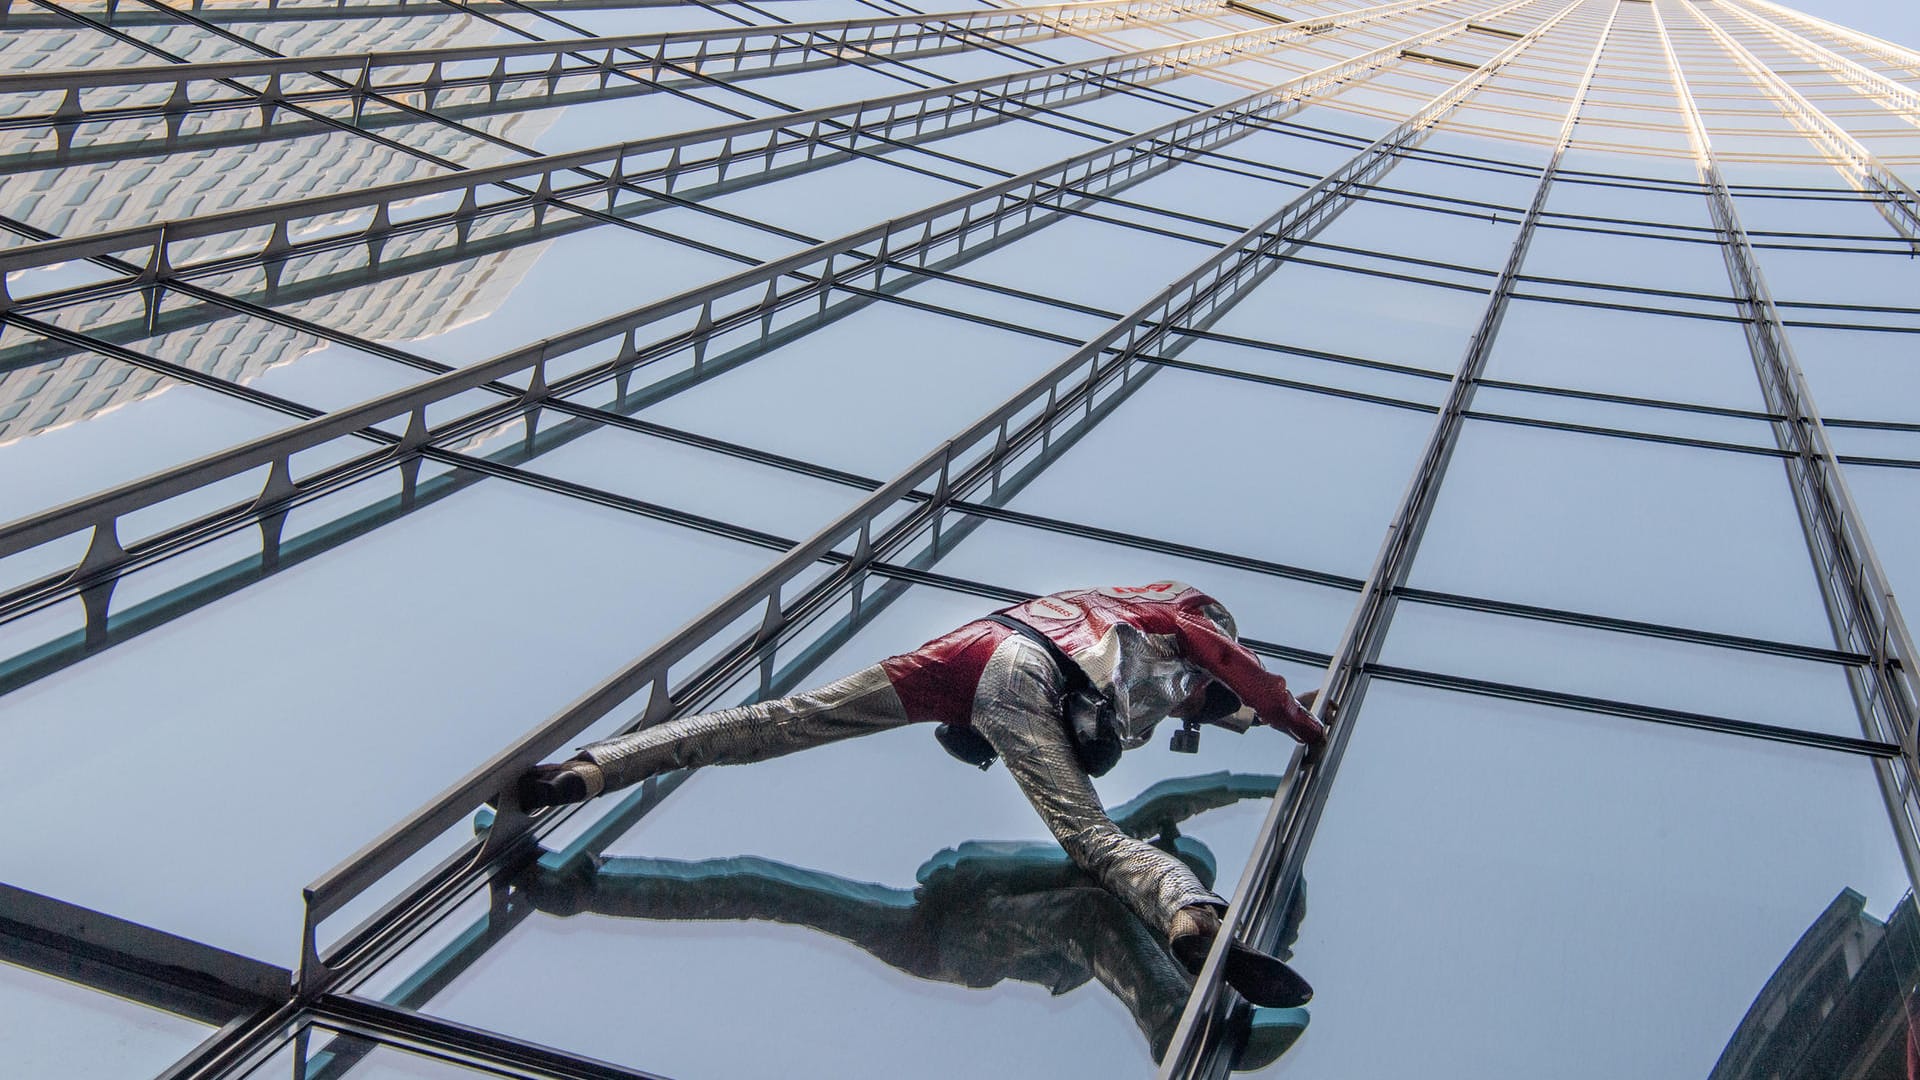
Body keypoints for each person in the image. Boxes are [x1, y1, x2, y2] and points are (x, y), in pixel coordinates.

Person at [518, 581, 1328, 1005]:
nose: (1191, 700)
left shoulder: (1070, 608)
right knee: (1094, 842)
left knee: (779, 722)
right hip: (1024, 690)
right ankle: (1189, 915)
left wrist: (1233, 747)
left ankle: (594, 766)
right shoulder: (1166, 617)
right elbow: (1225, 668)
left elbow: (1201, 720)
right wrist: (1295, 720)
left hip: (972, 657)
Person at [505, 771, 1310, 1069]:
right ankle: (577, 886)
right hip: (939, 919)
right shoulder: (1115, 869)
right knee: (763, 883)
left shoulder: (1121, 924)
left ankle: (1187, 1030)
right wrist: (1254, 787)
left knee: (1095, 916)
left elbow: (1242, 941)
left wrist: (1286, 886)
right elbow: (1154, 808)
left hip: (961, 943)